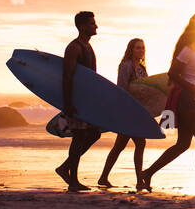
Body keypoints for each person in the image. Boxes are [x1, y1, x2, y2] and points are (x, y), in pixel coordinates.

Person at [139, 11, 195, 196]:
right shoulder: (188, 49)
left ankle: (147, 173)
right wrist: (191, 88)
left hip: (190, 96)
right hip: (186, 98)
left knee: (183, 143)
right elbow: (173, 74)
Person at [54, 11, 101, 191]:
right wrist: (67, 103)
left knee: (93, 134)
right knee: (79, 137)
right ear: (82, 26)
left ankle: (65, 168)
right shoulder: (74, 48)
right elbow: (67, 77)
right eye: (92, 23)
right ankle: (72, 180)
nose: (96, 26)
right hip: (76, 100)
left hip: (87, 101)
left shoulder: (88, 47)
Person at [98, 38, 148, 188]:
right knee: (139, 143)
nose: (141, 51)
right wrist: (124, 111)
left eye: (143, 48)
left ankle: (103, 177)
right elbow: (121, 88)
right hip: (128, 111)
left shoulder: (141, 68)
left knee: (120, 145)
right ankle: (140, 181)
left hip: (137, 111)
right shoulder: (126, 66)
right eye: (138, 48)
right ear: (131, 50)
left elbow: (146, 89)